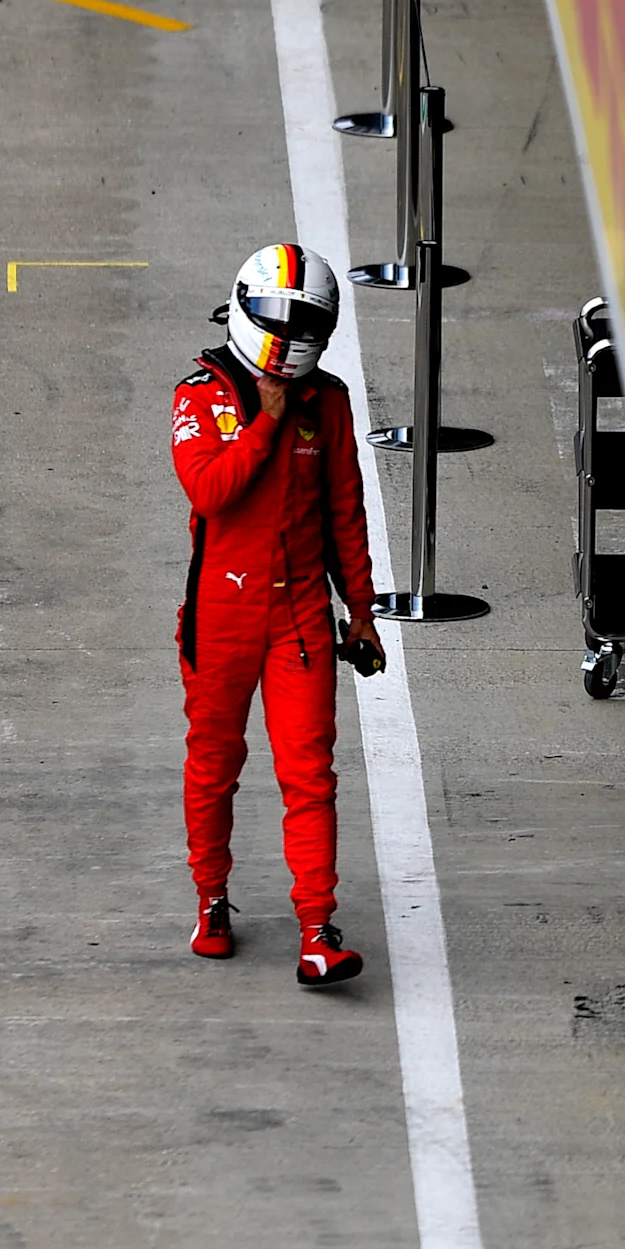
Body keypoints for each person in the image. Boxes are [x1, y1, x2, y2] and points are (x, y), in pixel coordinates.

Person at [172, 244, 387, 986]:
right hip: (221, 619)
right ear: (245, 306)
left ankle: (318, 931)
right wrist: (264, 424)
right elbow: (209, 492)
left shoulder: (326, 401)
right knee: (213, 767)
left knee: (311, 776)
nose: (290, 330)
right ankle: (211, 901)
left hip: (299, 616)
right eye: (280, 315)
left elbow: (345, 511)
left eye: (306, 320)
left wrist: (361, 610)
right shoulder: (199, 395)